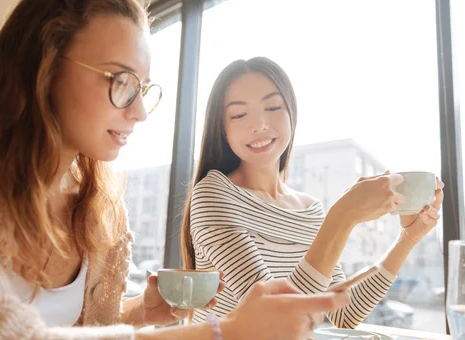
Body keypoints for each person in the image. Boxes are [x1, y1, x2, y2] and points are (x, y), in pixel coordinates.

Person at [0, 2, 350, 340]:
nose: (140, 111)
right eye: (121, 82)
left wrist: (139, 311)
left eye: (143, 88)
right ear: (43, 65)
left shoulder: (101, 202)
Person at [181, 57, 444, 326]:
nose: (259, 124)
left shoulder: (309, 208)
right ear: (222, 129)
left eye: (272, 107)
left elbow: (344, 313)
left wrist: (408, 237)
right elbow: (275, 320)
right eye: (238, 114)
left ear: (291, 115)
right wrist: (343, 216)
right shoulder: (213, 195)